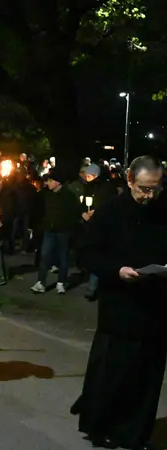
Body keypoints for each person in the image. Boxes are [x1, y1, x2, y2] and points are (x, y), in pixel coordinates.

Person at [71, 156, 167, 450]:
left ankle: (135, 432)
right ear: (129, 181)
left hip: (155, 309)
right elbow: (87, 252)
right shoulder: (110, 212)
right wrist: (116, 270)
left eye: (155, 189)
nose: (149, 196)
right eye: (143, 189)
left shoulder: (163, 211)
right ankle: (101, 427)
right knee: (112, 375)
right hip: (119, 307)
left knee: (146, 378)